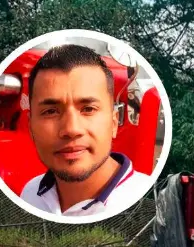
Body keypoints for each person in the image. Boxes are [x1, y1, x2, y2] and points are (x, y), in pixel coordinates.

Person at [20, 44, 150, 217]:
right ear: (31, 127)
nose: (71, 129)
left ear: (114, 122)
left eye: (88, 109)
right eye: (50, 111)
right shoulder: (30, 193)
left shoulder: (148, 202)